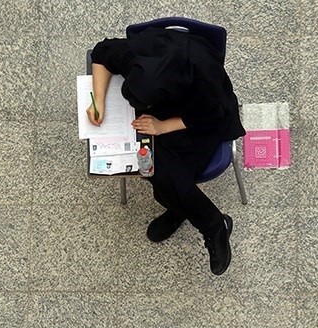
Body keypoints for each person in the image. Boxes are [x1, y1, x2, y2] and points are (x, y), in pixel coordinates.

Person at [87, 26, 245, 276]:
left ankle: (212, 225)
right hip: (163, 115)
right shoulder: (138, 54)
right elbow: (100, 53)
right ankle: (187, 212)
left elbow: (214, 116)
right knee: (155, 171)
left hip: (200, 121)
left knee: (165, 174)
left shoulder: (204, 78)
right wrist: (98, 100)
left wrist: (163, 126)